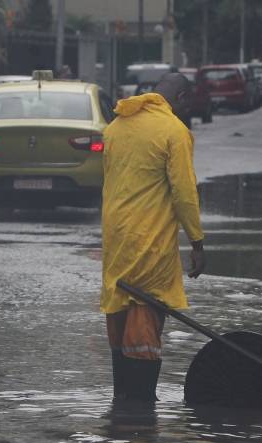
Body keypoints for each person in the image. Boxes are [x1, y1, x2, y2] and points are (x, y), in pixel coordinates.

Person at [100, 72, 206, 403]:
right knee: (146, 313)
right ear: (184, 98)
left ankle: (122, 401)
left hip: (115, 239)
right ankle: (142, 408)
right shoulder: (174, 131)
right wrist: (197, 242)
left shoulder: (116, 127)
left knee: (120, 315)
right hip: (150, 240)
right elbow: (185, 193)